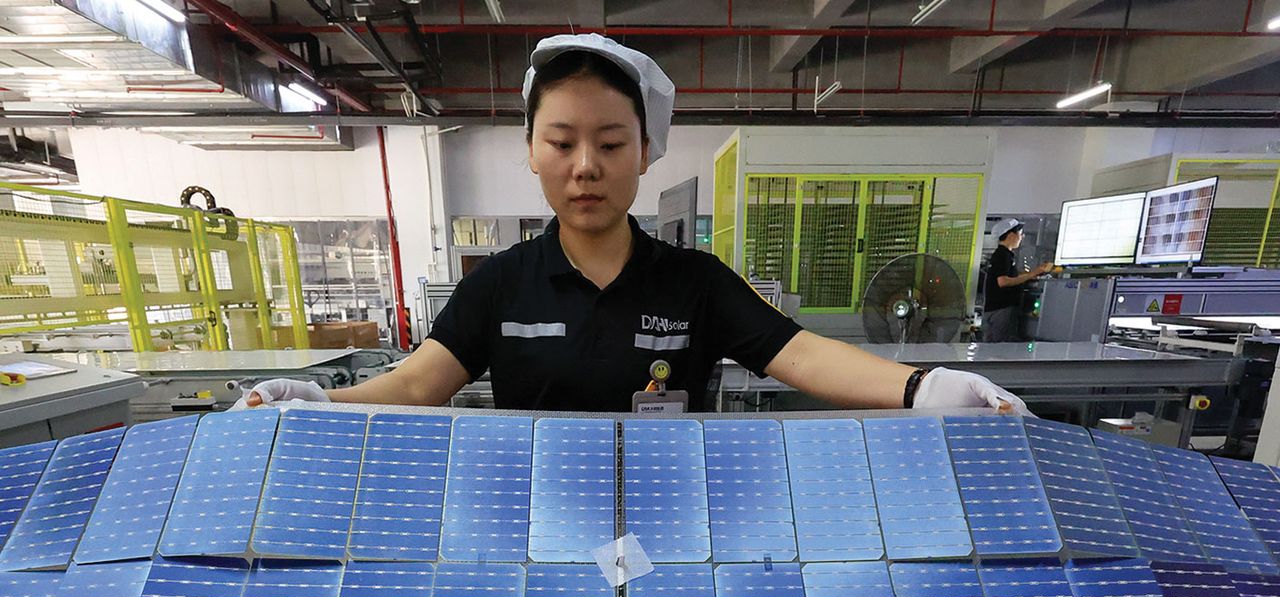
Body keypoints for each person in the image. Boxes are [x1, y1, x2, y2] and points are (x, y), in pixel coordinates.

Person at [241, 33, 1028, 415]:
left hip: (670, 524)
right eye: (562, 142)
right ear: (532, 152)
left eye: (611, 144)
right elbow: (419, 381)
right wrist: (319, 403)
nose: (586, 166)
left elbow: (803, 354)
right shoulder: (502, 285)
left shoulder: (693, 284)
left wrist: (924, 386)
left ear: (645, 151)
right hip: (533, 527)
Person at [982, 218, 1053, 343]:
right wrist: (1033, 273)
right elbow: (1003, 281)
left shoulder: (1003, 255)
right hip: (1001, 310)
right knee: (1000, 348)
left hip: (996, 309)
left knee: (992, 347)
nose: (1022, 237)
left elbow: (1009, 275)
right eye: (1020, 234)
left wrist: (1030, 275)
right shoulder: (1002, 255)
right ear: (1010, 235)